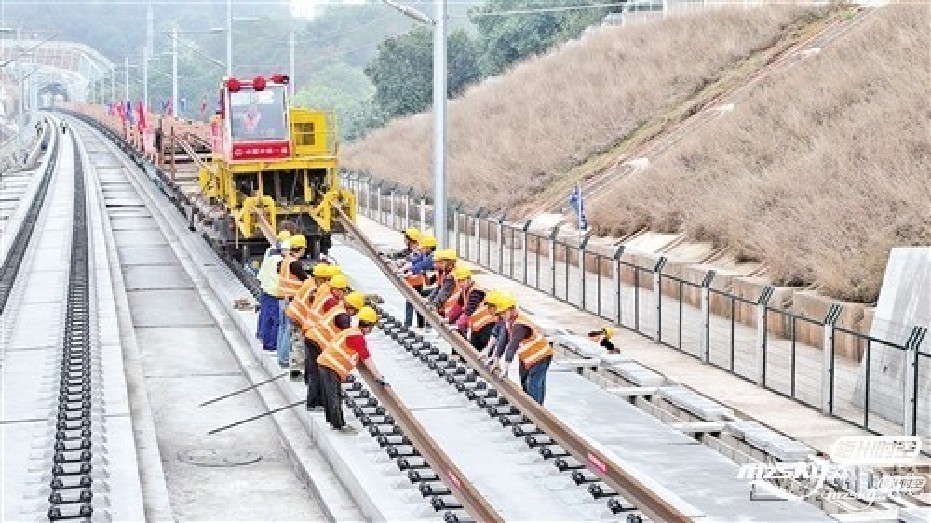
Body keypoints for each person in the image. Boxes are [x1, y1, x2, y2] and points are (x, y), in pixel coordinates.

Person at [317, 306, 387, 433]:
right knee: (334, 396)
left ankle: (333, 422)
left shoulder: (351, 331)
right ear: (369, 325)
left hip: (326, 364)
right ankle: (339, 425)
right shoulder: (357, 338)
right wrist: (378, 377)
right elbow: (367, 359)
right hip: (331, 366)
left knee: (331, 395)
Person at [487, 293, 554, 405]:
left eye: (504, 312)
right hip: (528, 358)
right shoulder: (509, 322)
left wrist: (506, 368)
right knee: (524, 381)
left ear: (511, 310)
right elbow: (503, 341)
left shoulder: (520, 325)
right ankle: (529, 408)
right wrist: (496, 359)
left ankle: (536, 410)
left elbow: (512, 346)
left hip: (541, 356)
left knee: (534, 383)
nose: (502, 315)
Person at [256, 222, 298, 352]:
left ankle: (261, 335)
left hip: (265, 286)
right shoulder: (280, 258)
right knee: (275, 319)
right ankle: (270, 344)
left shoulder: (270, 250)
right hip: (274, 290)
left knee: (265, 314)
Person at [277, 234, 308, 369]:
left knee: (283, 327)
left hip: (282, 297)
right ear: (300, 249)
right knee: (289, 329)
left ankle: (281, 356)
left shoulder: (286, 260)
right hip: (290, 299)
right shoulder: (295, 264)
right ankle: (284, 358)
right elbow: (305, 279)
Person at [401, 234, 436, 329]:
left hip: (431, 285)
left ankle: (427, 326)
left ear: (429, 248)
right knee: (417, 303)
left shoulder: (432, 257)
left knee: (424, 304)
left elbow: (421, 265)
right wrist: (406, 267)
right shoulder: (425, 255)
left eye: (424, 248)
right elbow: (416, 262)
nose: (422, 250)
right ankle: (422, 325)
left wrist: (410, 271)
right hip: (426, 284)